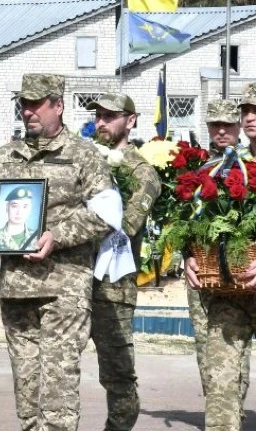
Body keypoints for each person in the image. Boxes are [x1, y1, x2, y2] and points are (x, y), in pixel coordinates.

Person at [0, 73, 113, 431]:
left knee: (58, 383)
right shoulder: (5, 156)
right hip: (17, 287)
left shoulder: (83, 155)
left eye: (36, 104)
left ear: (58, 105)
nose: (27, 111)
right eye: (24, 104)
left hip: (64, 287)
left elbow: (107, 212)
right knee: (27, 384)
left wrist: (57, 235)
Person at [86, 93, 161, 431]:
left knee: (117, 375)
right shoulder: (83, 159)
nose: (102, 122)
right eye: (98, 115)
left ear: (130, 121)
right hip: (70, 280)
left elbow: (126, 225)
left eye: (110, 116)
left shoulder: (141, 172)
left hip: (112, 289)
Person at [193, 90, 256, 430]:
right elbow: (199, 220)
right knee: (219, 384)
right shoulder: (227, 166)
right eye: (246, 110)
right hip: (229, 291)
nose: (249, 116)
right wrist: (191, 256)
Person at [0, 187, 39, 252]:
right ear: (7, 207)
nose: (19, 212)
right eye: (14, 206)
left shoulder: (38, 237)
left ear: (30, 209)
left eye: (25, 206)